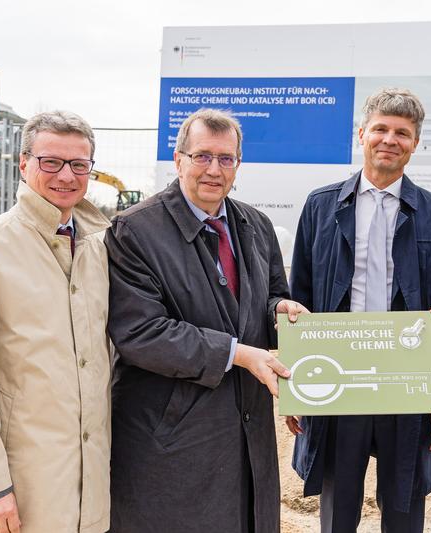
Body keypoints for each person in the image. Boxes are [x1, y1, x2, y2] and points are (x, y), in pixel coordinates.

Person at [105, 108, 307, 532]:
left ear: (238, 164)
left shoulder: (256, 225)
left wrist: (279, 313)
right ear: (178, 160)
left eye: (226, 158)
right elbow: (140, 332)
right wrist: (236, 354)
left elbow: (269, 297)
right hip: (172, 437)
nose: (214, 169)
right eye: (202, 156)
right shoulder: (134, 231)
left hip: (246, 431)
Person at [287, 88, 431, 532]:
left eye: (402, 133)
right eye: (381, 129)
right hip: (341, 379)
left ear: (415, 143)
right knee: (338, 504)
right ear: (362, 134)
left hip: (408, 383)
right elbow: (299, 296)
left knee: (405, 505)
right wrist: (293, 385)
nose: (390, 139)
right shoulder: (321, 205)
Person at [0, 111, 112, 533]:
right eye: (51, 162)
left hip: (92, 488)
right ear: (24, 163)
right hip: (17, 488)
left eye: (79, 165)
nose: (65, 176)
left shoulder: (103, 248)